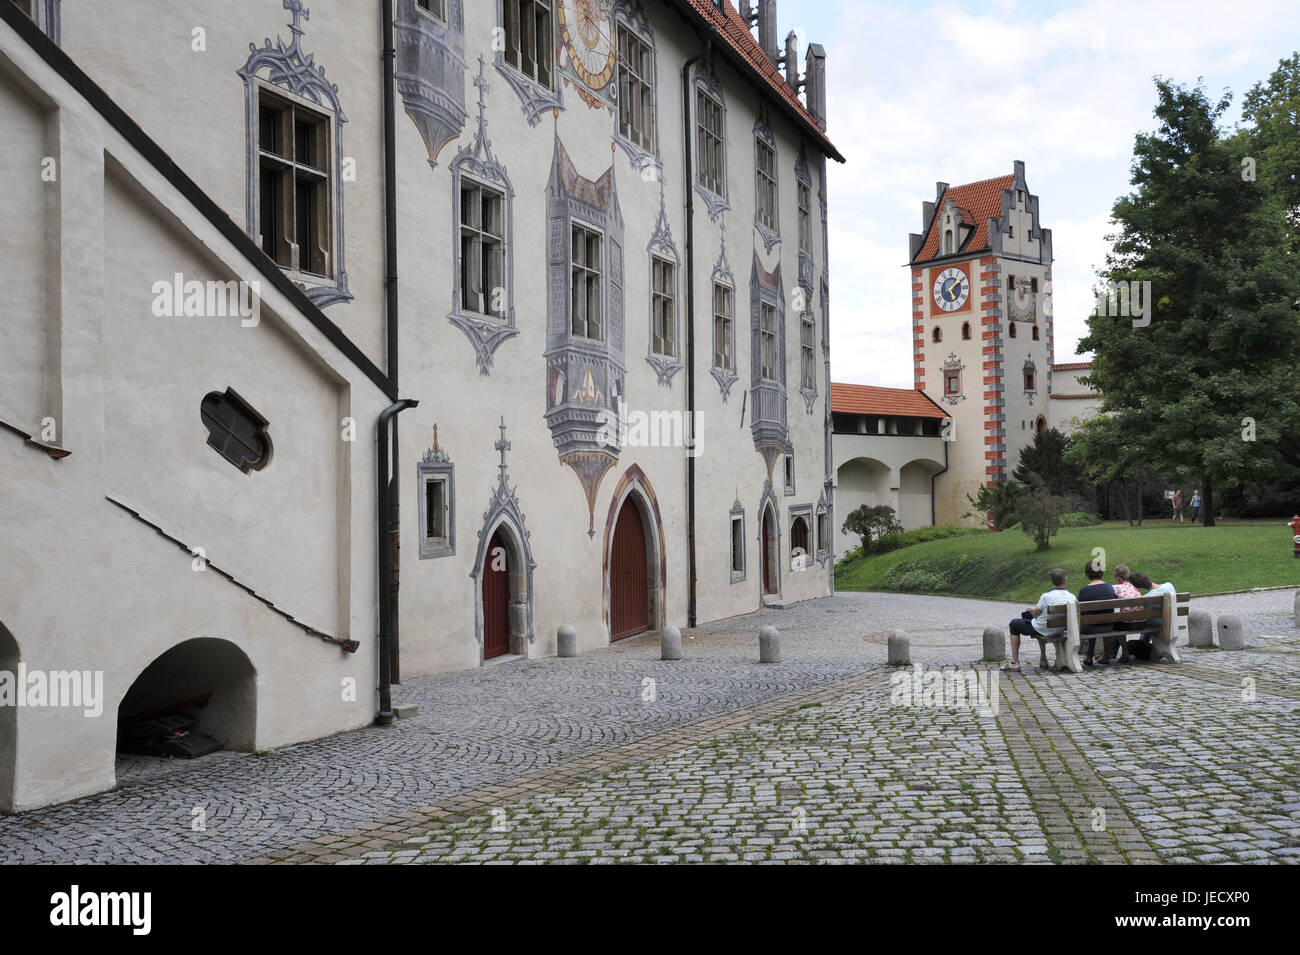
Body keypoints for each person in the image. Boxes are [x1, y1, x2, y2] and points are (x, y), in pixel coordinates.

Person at [1003, 568, 1077, 671]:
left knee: (1014, 624)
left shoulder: (1046, 596)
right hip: (1060, 629)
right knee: (1040, 622)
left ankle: (1014, 662)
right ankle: (1043, 658)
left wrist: (1034, 610)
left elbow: (1035, 615)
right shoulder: (1072, 597)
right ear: (1065, 580)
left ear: (1052, 581)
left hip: (1043, 629)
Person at [1128, 572, 1177, 659]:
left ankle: (1140, 644)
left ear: (1138, 587)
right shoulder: (1169, 585)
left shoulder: (1145, 598)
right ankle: (1143, 643)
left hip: (1158, 624)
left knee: (1147, 621)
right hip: (1171, 620)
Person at [1077, 560, 1117, 666]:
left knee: (1090, 619)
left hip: (1089, 628)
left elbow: (1080, 611)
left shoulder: (1084, 590)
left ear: (1087, 573)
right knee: (1104, 618)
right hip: (1108, 626)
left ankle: (1089, 656)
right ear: (1101, 572)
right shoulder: (1109, 588)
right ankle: (1106, 654)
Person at [1102, 564, 1142, 663]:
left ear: (1116, 576)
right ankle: (1124, 653)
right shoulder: (1134, 587)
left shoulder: (1115, 588)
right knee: (1120, 619)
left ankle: (1107, 655)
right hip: (1141, 622)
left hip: (1126, 624)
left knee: (1108, 624)